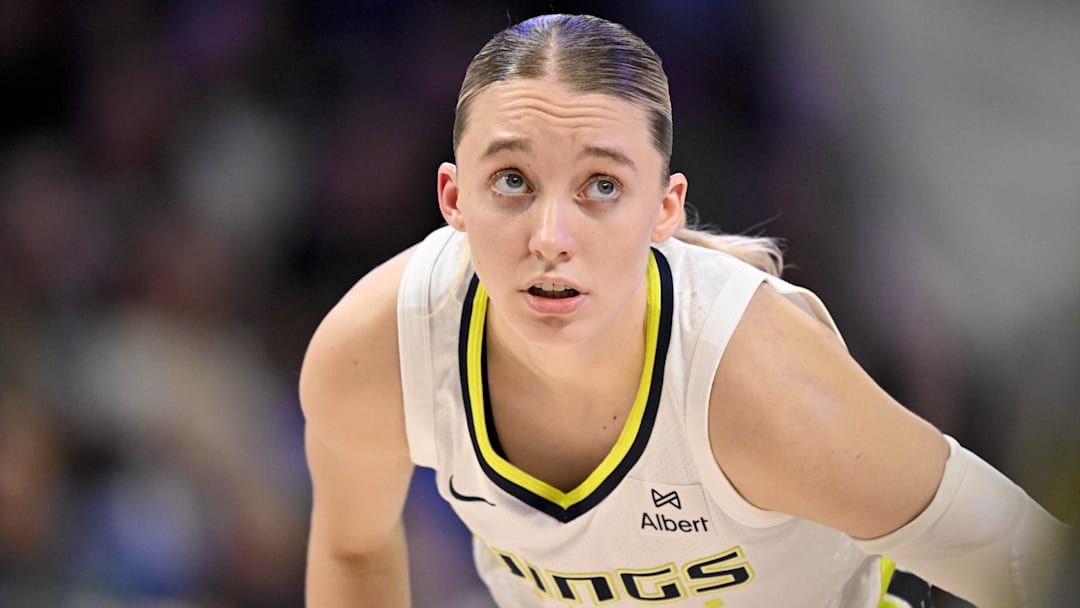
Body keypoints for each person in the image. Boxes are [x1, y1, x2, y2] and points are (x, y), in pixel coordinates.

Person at [299, 14, 1067, 608]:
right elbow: (353, 549)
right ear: (453, 198)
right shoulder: (376, 351)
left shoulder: (760, 381)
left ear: (664, 210)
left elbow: (1026, 560)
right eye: (512, 181)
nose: (550, 238)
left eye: (602, 186)